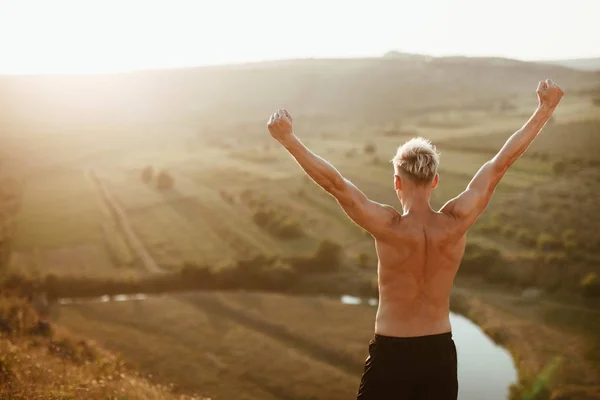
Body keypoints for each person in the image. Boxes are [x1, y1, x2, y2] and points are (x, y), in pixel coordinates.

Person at [267, 79, 564, 399]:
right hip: (438, 354)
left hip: (391, 354)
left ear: (397, 182)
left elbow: (335, 184)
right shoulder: (456, 222)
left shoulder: (389, 228)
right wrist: (544, 110)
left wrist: (288, 140)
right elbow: (499, 165)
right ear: (435, 180)